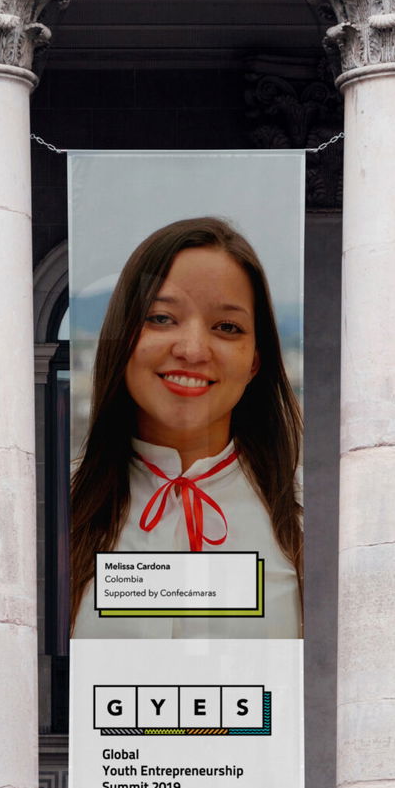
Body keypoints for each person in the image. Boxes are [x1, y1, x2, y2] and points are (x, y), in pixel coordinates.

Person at [68, 215, 303, 640]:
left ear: (255, 361)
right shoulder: (57, 512)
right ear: (122, 339)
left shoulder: (307, 523)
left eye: (227, 327)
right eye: (161, 318)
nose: (193, 350)